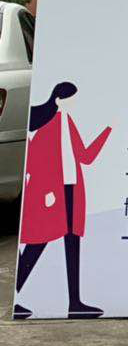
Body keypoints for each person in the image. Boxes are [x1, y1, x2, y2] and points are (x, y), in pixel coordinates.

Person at [14, 82, 112, 320]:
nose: (74, 103)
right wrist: (47, 191)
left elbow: (85, 157)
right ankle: (16, 299)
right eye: (71, 99)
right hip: (52, 194)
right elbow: (35, 162)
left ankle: (75, 304)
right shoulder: (48, 125)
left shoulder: (68, 122)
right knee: (37, 245)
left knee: (72, 246)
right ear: (58, 100)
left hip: (72, 192)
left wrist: (108, 130)